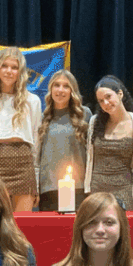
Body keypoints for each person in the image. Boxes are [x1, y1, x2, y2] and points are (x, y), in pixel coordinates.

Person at [0, 47, 43, 211]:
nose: (9, 71)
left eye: (14, 67)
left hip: (23, 167)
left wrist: (36, 183)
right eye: (4, 66)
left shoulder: (33, 101)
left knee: (22, 227)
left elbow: (36, 145)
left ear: (21, 72)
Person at [37, 70, 92, 212]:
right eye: (57, 85)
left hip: (78, 189)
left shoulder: (84, 115)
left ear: (72, 91)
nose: (60, 90)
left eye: (66, 86)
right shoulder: (42, 118)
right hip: (48, 190)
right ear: (50, 89)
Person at [85, 77, 133, 211]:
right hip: (97, 188)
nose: (105, 103)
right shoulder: (94, 122)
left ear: (120, 94)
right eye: (101, 101)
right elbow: (89, 158)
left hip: (125, 188)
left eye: (108, 97)